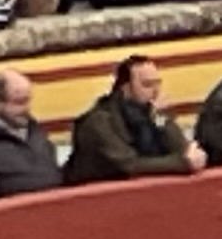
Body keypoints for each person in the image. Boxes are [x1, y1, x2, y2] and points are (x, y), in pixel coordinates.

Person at [67, 49, 200, 174]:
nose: (156, 91)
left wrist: (161, 119)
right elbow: (129, 165)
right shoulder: (99, 121)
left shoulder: (154, 113)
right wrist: (182, 163)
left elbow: (183, 151)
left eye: (158, 83)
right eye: (147, 85)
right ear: (125, 88)